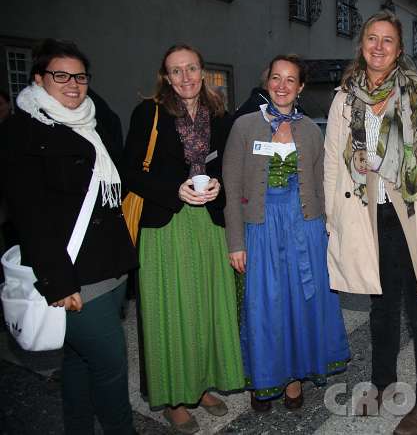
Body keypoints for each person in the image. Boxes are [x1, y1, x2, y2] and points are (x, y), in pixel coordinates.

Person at [324, 10, 417, 435]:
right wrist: (334, 222)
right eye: (372, 38)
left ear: (400, 49)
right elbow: (333, 164)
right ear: (362, 45)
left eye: (388, 40)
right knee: (381, 310)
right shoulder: (345, 98)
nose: (379, 46)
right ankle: (381, 382)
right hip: (370, 216)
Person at [0, 39, 138, 433]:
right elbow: (29, 215)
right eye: (60, 75)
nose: (73, 84)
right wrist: (57, 281)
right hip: (72, 275)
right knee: (111, 365)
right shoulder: (23, 130)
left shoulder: (92, 121)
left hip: (109, 266)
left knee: (79, 360)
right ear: (39, 80)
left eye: (79, 76)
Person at [124, 44, 243, 434]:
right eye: (176, 71)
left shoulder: (221, 114)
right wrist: (175, 191)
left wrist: (220, 186)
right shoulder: (149, 113)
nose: (186, 77)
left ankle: (202, 384)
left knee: (207, 307)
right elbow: (131, 172)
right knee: (170, 310)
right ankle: (174, 397)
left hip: (208, 224)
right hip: (166, 225)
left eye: (191, 68)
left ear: (203, 71)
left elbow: (228, 165)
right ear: (166, 77)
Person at [223, 53, 350, 412]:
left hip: (304, 226)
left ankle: (293, 378)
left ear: (301, 87)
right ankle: (264, 379)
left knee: (299, 305)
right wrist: (236, 242)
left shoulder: (310, 129)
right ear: (267, 83)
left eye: (290, 79)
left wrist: (328, 232)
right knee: (264, 307)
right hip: (261, 227)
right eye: (276, 78)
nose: (281, 86)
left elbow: (323, 185)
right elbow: (231, 188)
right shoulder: (244, 125)